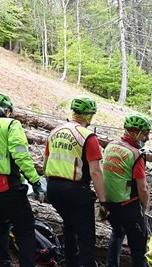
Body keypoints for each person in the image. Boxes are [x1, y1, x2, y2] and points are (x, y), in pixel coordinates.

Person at [0, 92, 44, 266]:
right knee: (25, 229)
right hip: (5, 187)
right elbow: (21, 156)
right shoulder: (10, 124)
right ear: (7, 110)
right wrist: (35, 181)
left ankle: (2, 263)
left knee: (0, 225)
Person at [43, 95, 106, 267]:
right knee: (86, 236)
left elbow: (45, 163)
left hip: (53, 188)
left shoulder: (54, 132)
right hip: (76, 189)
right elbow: (96, 171)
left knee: (69, 226)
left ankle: (70, 263)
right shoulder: (87, 136)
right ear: (89, 115)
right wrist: (103, 201)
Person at [103, 113, 152, 267]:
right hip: (129, 206)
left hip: (109, 204)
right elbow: (143, 188)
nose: (147, 138)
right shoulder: (136, 154)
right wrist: (143, 207)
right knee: (139, 249)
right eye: (145, 134)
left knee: (117, 234)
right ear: (133, 132)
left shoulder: (110, 145)